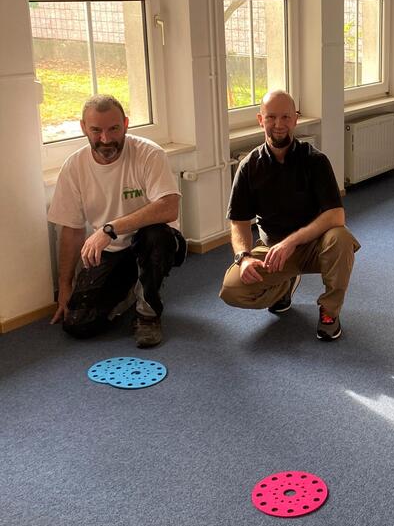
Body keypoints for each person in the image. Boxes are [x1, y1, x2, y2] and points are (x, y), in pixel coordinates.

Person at [219, 90, 360, 341]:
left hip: (316, 247)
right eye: (271, 117)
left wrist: (291, 242)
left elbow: (336, 216)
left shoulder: (315, 161)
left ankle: (329, 311)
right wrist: (244, 257)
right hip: (273, 252)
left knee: (341, 238)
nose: (279, 124)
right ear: (260, 120)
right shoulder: (249, 166)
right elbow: (238, 222)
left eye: (285, 117)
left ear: (295, 119)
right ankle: (284, 284)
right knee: (232, 289)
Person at [47, 94, 185, 348]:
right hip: (111, 252)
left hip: (155, 242)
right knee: (77, 323)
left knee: (156, 235)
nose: (106, 139)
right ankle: (133, 287)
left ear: (126, 124)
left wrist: (110, 229)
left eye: (113, 129)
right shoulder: (74, 166)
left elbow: (169, 207)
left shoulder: (148, 153)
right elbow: (71, 230)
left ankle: (148, 314)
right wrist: (65, 285)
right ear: (83, 128)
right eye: (96, 130)